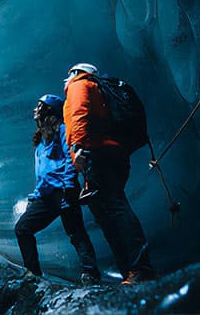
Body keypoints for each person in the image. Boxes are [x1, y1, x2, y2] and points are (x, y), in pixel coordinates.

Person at [63, 63, 157, 284]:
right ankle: (131, 270)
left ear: (76, 72)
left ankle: (141, 268)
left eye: (69, 74)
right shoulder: (97, 88)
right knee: (108, 214)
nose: (66, 79)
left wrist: (78, 148)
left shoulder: (80, 85)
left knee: (114, 209)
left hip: (96, 152)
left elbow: (79, 113)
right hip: (111, 152)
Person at [14, 94, 101, 285]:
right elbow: (42, 173)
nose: (35, 110)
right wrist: (35, 196)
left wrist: (69, 186)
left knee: (76, 232)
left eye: (39, 106)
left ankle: (91, 272)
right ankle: (33, 274)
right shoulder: (40, 141)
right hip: (46, 196)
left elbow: (70, 159)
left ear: (49, 110)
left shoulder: (62, 130)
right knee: (23, 228)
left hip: (64, 190)